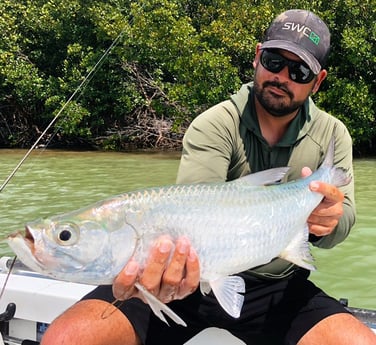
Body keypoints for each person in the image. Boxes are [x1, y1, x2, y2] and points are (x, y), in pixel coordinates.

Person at [41, 9, 376, 345]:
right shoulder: (214, 123)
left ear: (317, 81)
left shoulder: (333, 134)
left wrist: (326, 220)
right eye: (274, 61)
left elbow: (343, 218)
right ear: (258, 57)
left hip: (278, 286)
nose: (283, 76)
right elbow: (195, 207)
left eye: (300, 70)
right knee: (67, 339)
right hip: (190, 283)